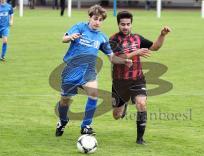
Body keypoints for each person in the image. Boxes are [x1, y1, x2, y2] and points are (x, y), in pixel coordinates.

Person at [55, 5, 132, 137]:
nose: (97, 22)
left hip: (89, 71)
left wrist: (124, 61)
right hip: (72, 70)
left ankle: (86, 126)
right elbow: (63, 38)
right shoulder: (80, 27)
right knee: (65, 100)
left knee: (94, 95)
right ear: (89, 18)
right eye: (95, 18)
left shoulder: (102, 38)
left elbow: (112, 57)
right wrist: (70, 37)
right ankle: (63, 121)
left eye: (101, 20)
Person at [110, 11, 171, 144]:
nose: (125, 27)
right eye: (122, 24)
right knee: (117, 115)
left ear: (131, 24)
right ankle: (123, 104)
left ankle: (140, 139)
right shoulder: (113, 39)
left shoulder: (137, 38)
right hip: (119, 82)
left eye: (128, 24)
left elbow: (155, 47)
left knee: (142, 104)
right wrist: (136, 52)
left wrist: (162, 35)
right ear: (118, 24)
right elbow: (116, 58)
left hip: (137, 79)